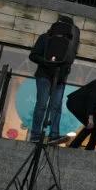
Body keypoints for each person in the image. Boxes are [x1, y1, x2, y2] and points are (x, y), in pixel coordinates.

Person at [29, 15, 79, 143]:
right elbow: (33, 55)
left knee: (56, 106)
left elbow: (70, 59)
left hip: (60, 77)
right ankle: (35, 134)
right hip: (44, 75)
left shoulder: (71, 43)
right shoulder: (45, 38)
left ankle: (54, 134)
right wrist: (46, 62)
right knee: (42, 105)